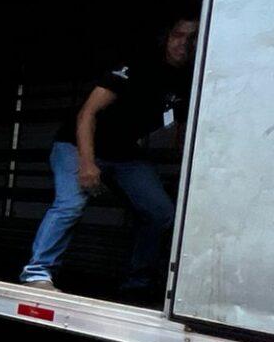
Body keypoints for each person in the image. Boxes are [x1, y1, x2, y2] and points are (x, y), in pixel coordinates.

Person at [20, 17, 199, 299]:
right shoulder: (138, 65)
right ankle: (37, 273)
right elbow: (87, 113)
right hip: (76, 144)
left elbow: (182, 126)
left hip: (124, 151)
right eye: (179, 35)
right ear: (167, 37)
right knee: (70, 203)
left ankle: (138, 283)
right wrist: (88, 164)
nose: (184, 43)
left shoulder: (191, 80)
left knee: (161, 213)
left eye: (193, 38)